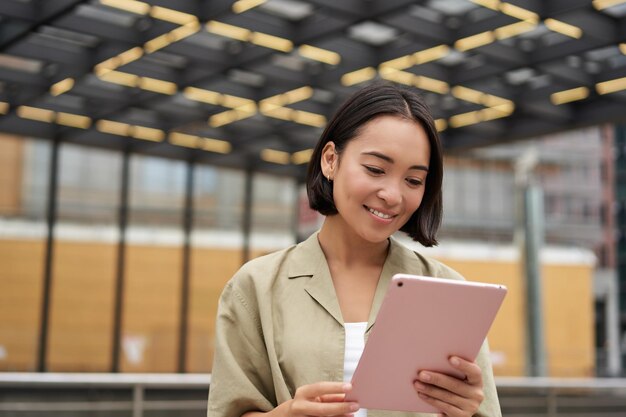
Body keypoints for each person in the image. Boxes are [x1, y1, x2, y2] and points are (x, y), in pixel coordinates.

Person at [207, 82, 502, 417]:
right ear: (330, 160)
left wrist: (466, 409)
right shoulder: (255, 287)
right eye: (376, 169)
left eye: (413, 180)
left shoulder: (450, 292)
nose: (393, 195)